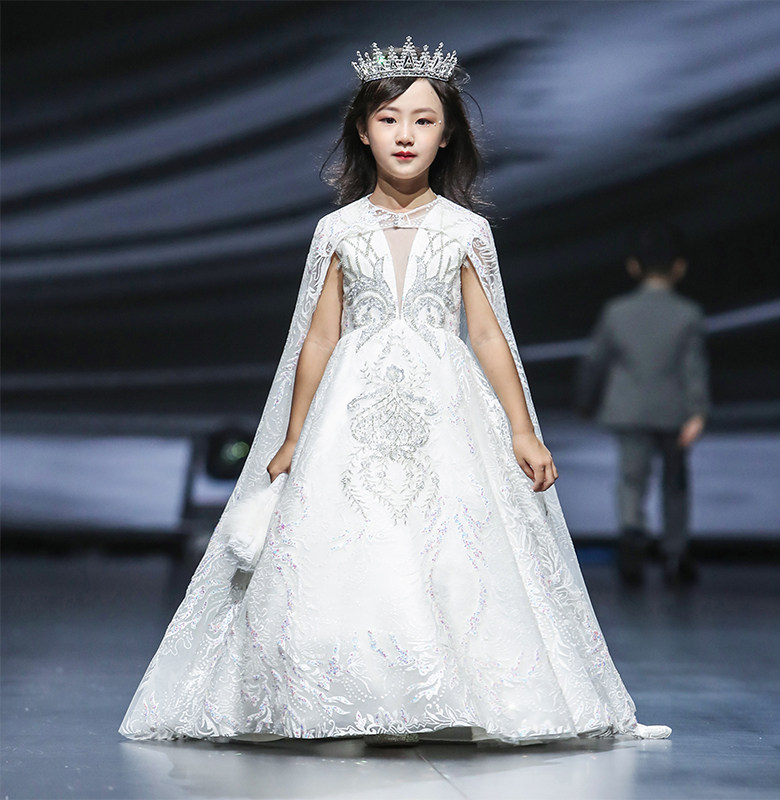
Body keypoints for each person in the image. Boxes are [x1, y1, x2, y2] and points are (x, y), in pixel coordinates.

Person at [119, 36, 670, 746]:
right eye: (388, 119)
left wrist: (521, 428)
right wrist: (293, 435)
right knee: (354, 540)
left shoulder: (466, 230)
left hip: (446, 410)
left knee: (451, 541)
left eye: (423, 120)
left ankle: (447, 694)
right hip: (353, 410)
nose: (405, 133)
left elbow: (488, 334)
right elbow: (319, 337)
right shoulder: (337, 230)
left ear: (447, 136)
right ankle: (355, 693)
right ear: (362, 130)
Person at [574, 222, 711, 588]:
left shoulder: (617, 311)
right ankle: (674, 554)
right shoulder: (688, 314)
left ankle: (632, 541)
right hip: (674, 411)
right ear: (679, 267)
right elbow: (693, 368)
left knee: (631, 480)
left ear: (633, 266)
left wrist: (585, 401)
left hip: (629, 409)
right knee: (675, 483)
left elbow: (595, 361)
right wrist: (698, 412)